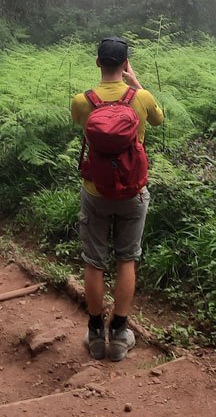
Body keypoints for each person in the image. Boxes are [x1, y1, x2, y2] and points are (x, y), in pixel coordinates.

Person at [71, 36, 165, 362]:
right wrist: (136, 83)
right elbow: (159, 119)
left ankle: (96, 335)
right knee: (127, 259)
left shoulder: (82, 101)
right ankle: (121, 334)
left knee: (94, 261)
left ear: (98, 62)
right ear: (125, 64)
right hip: (133, 193)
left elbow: (80, 127)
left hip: (95, 192)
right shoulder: (141, 98)